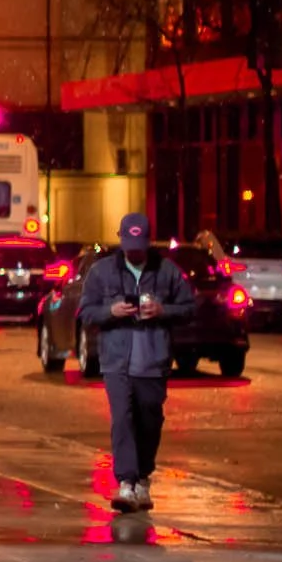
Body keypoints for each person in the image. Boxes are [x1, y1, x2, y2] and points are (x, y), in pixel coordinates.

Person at [78, 212, 195, 513]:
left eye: (139, 246)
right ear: (121, 240)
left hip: (153, 361)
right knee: (122, 419)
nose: (134, 251)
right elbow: (86, 312)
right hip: (116, 362)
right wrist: (111, 311)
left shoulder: (167, 271)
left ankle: (143, 477)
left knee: (149, 421)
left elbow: (190, 307)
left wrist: (162, 310)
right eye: (129, 245)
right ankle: (127, 483)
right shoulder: (102, 272)